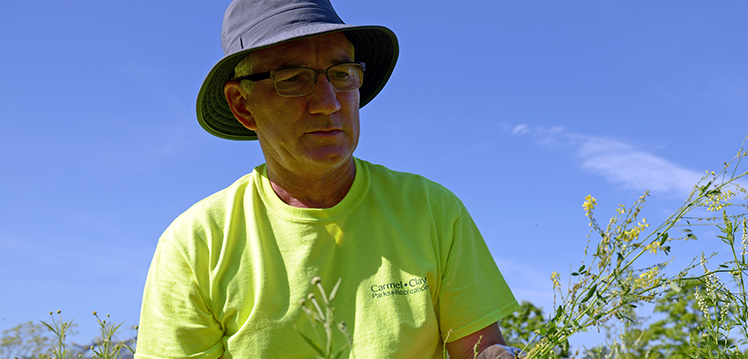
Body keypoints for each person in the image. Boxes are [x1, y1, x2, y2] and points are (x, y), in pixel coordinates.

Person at [135, 1, 520, 358]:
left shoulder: (433, 212)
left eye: (341, 74)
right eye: (293, 78)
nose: (328, 102)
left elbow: (479, 349)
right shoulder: (196, 244)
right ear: (242, 104)